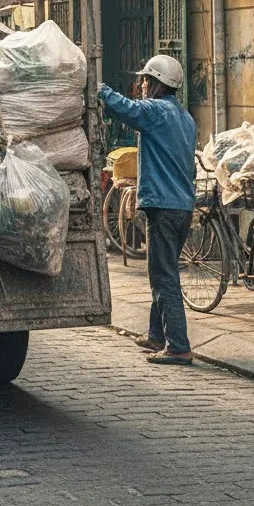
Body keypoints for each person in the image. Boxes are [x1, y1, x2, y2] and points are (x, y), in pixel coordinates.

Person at [98, 55, 197, 366]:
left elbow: (126, 109)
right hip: (181, 206)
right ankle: (157, 334)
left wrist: (98, 88)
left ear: (157, 85)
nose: (140, 85)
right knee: (161, 271)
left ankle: (178, 345)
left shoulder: (156, 111)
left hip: (164, 207)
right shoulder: (185, 118)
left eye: (144, 80)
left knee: (164, 277)